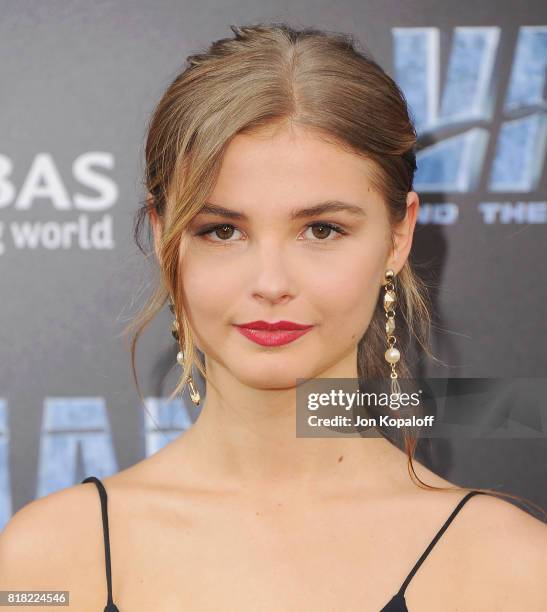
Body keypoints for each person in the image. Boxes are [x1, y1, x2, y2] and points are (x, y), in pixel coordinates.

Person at [1, 22, 546, 612]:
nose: (270, 284)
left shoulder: (509, 567)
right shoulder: (51, 560)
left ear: (399, 236)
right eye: (223, 231)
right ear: (166, 240)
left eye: (321, 229)